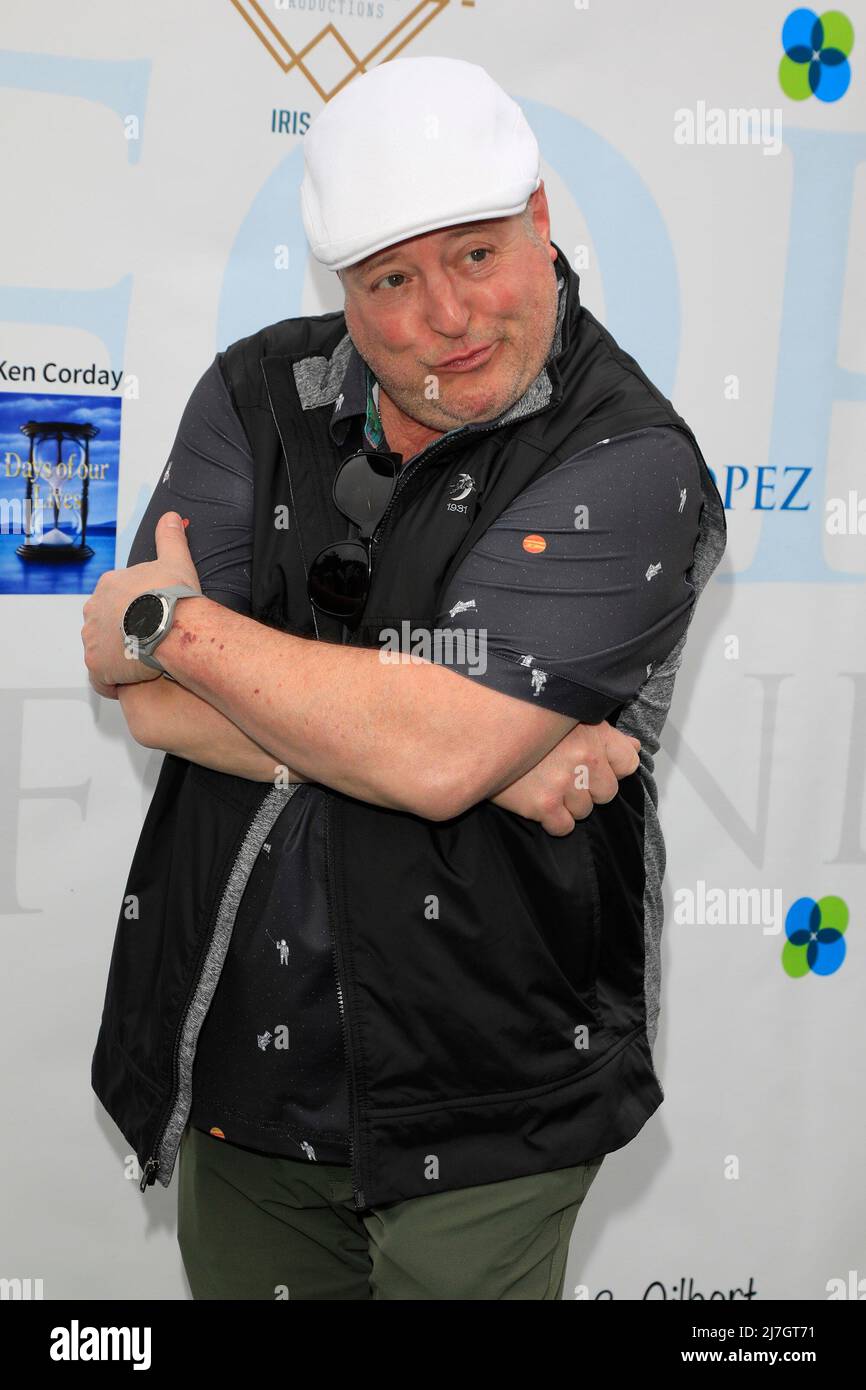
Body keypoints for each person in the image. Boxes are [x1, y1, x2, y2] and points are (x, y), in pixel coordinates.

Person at [82, 56, 726, 1300]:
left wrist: (180, 623)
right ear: (342, 285)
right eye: (391, 279)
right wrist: (489, 758)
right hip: (241, 1052)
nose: (445, 314)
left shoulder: (632, 455)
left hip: (486, 1083)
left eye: (477, 254)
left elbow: (407, 747)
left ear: (540, 223)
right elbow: (130, 682)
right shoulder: (257, 390)